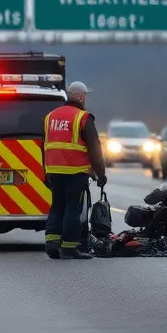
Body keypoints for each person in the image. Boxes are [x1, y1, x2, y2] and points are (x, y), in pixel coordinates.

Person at [43, 81, 107, 260]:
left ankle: (51, 243)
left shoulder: (50, 117)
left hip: (53, 172)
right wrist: (100, 173)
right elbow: (95, 148)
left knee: (57, 206)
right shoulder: (84, 118)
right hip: (75, 172)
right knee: (73, 208)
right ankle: (69, 248)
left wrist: (45, 172)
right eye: (85, 95)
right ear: (81, 97)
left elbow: (45, 146)